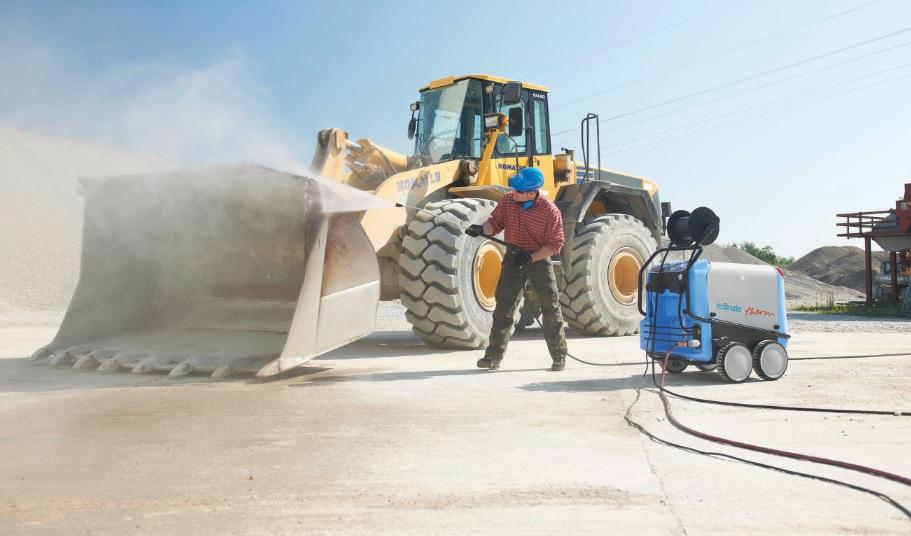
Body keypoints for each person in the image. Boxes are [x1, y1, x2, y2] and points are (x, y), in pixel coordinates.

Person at [465, 167, 568, 371]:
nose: (513, 192)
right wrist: (481, 229)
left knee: (550, 307)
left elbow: (555, 245)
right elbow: (495, 223)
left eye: (518, 190)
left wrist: (530, 257)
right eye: (514, 188)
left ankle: (559, 356)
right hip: (513, 260)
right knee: (504, 308)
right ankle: (492, 357)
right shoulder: (508, 201)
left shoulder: (550, 211)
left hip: (539, 260)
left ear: (532, 193)